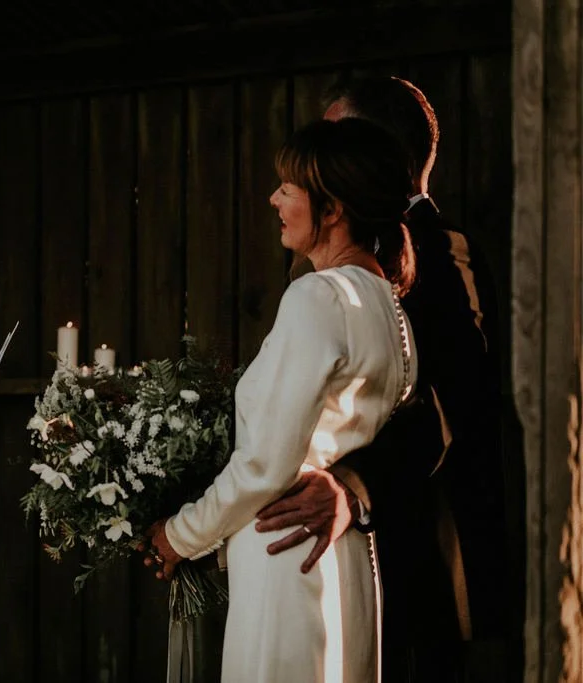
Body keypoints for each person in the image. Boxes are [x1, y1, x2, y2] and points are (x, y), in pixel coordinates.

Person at [253, 76, 513, 682]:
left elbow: (459, 399)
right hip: (335, 557)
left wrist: (354, 486)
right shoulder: (335, 260)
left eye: (333, 138)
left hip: (420, 562)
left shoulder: (443, 249)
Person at [146, 117, 418, 683]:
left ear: (333, 208)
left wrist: (180, 535)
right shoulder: (392, 311)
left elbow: (265, 465)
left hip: (284, 553)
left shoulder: (317, 296)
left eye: (287, 189)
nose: (274, 199)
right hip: (343, 553)